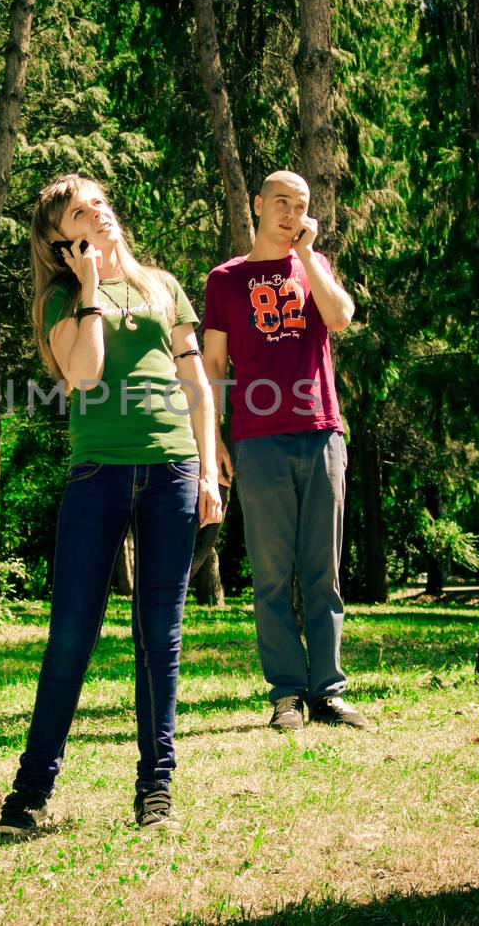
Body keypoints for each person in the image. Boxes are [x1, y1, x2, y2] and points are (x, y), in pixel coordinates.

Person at [0, 174, 223, 835]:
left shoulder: (162, 285)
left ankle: (156, 788)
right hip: (97, 474)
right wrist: (91, 290)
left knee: (161, 634)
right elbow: (86, 373)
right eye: (78, 212)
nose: (98, 211)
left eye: (98, 201)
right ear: (63, 244)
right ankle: (30, 792)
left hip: (172, 469)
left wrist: (208, 468)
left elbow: (196, 383)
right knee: (72, 632)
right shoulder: (62, 302)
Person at [201, 169, 365, 731]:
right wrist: (213, 439)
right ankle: (287, 695)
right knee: (272, 575)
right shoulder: (224, 280)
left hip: (322, 432)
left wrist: (311, 256)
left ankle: (329, 692)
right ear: (257, 204)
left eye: (300, 206)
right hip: (256, 439)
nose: (290, 215)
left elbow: (341, 317)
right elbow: (214, 367)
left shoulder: (313, 269)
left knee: (324, 573)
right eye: (280, 203)